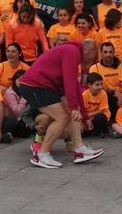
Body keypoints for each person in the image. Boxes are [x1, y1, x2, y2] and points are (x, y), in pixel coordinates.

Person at [18, 40, 105, 169]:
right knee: (62, 118)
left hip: (47, 86)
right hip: (35, 86)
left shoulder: (72, 52)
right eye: (95, 54)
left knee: (71, 113)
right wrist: (74, 107)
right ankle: (42, 155)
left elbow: (75, 87)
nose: (96, 58)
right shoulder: (72, 52)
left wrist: (84, 116)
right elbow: (69, 81)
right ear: (89, 50)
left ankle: (79, 149)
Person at [81, 73, 111, 138]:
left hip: (100, 115)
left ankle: (102, 131)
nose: (100, 87)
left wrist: (89, 116)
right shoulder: (85, 94)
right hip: (89, 116)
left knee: (100, 118)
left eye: (101, 84)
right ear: (89, 85)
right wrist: (87, 119)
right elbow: (84, 110)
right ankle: (92, 131)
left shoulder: (103, 93)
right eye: (97, 85)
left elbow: (102, 110)